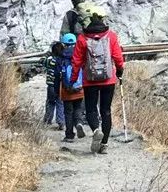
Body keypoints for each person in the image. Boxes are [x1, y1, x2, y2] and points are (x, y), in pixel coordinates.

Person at [70, 15, 124, 154]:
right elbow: (118, 56)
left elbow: (76, 61)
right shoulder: (111, 36)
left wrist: (73, 79)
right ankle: (104, 144)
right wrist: (120, 70)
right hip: (108, 80)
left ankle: (96, 130)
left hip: (90, 80)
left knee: (91, 109)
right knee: (106, 111)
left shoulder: (82, 38)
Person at [56, 33, 86, 142]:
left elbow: (57, 75)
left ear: (63, 44)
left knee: (68, 112)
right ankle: (78, 123)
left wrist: (57, 90)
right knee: (78, 108)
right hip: (79, 87)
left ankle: (69, 135)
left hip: (66, 89)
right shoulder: (80, 55)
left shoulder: (60, 57)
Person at [43, 42, 65, 129]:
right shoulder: (63, 61)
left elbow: (41, 61)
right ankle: (61, 121)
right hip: (60, 85)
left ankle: (47, 120)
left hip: (51, 86)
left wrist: (46, 55)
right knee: (60, 103)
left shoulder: (50, 61)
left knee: (50, 102)